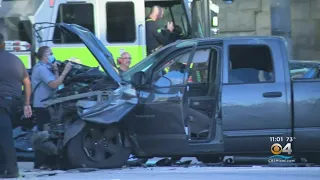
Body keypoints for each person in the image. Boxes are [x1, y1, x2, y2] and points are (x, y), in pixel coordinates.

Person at [31, 46, 72, 169]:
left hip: (48, 105)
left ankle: (49, 162)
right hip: (42, 106)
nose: (52, 55)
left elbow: (56, 81)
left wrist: (56, 70)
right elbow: (54, 84)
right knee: (44, 135)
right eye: (50, 53)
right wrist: (65, 71)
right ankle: (41, 163)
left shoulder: (46, 68)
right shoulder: (41, 69)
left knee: (49, 134)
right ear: (44, 56)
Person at [0, 33, 32, 178]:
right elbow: (27, 82)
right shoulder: (16, 60)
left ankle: (12, 171)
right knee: (3, 135)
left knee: (5, 138)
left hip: (1, 103)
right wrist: (27, 103)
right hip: (14, 103)